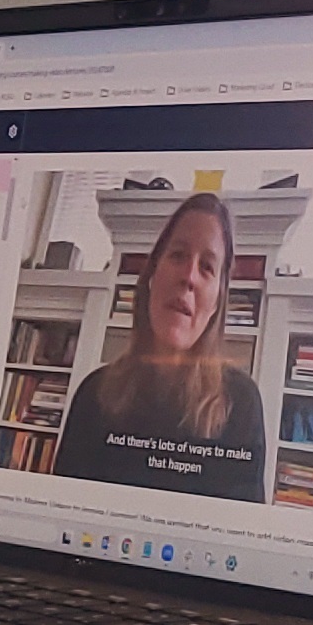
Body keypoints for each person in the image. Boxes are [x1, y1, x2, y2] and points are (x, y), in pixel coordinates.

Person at [49, 192, 269, 501]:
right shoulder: (93, 394)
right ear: (152, 275)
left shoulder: (241, 403)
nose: (189, 276)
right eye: (178, 255)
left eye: (207, 266)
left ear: (218, 300)